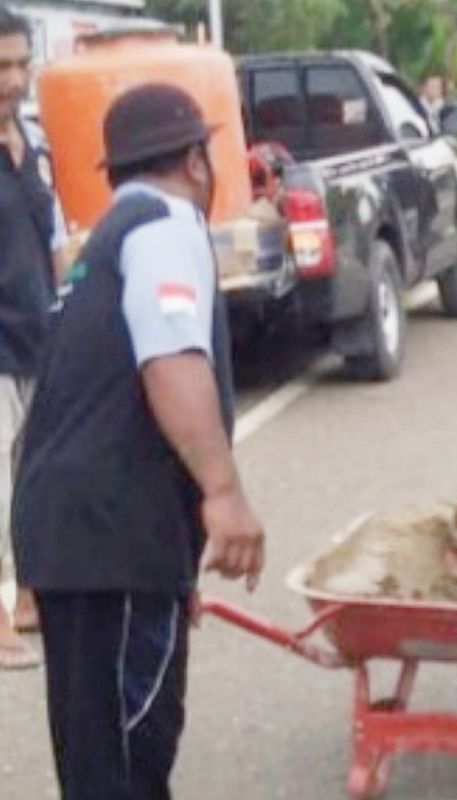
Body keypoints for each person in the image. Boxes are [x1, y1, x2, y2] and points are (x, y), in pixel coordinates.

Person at [12, 83, 265, 799]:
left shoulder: (100, 250)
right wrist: (224, 495)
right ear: (195, 161)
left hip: (75, 540)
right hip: (110, 539)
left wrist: (172, 564)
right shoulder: (166, 227)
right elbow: (172, 358)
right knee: (125, 766)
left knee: (99, 762)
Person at [0, 4, 61, 670]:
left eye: (21, 64)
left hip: (38, 334)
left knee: (34, 482)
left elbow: (51, 241)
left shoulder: (32, 144)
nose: (14, 79)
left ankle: (26, 597)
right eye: (2, 67)